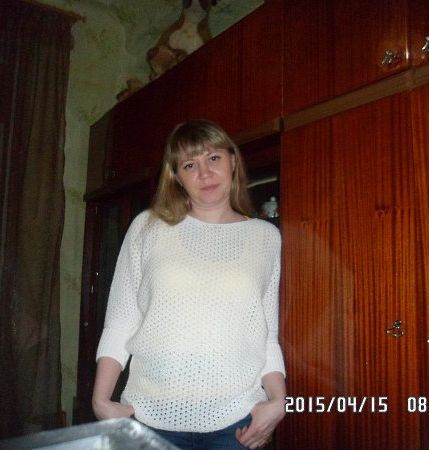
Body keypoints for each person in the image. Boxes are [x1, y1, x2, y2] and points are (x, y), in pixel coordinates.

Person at [92, 119, 287, 449]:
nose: (205, 173)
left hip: (237, 422)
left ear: (233, 161)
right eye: (189, 165)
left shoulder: (267, 238)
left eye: (214, 158)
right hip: (149, 418)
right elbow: (121, 321)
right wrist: (100, 399)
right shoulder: (147, 227)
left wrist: (279, 400)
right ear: (177, 177)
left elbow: (265, 333)